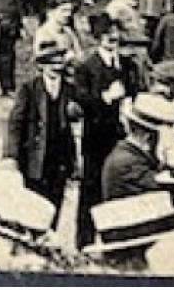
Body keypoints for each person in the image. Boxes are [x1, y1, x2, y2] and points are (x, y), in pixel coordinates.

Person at [73, 13, 137, 245]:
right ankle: (85, 241)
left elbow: (135, 92)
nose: (112, 39)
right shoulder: (86, 67)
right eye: (107, 36)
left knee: (118, 188)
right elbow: (81, 99)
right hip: (96, 137)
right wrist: (105, 98)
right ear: (98, 38)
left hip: (122, 136)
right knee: (91, 188)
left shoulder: (128, 65)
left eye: (116, 36)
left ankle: (115, 240)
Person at [8, 42, 79, 212]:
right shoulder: (29, 89)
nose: (56, 67)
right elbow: (15, 123)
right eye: (51, 63)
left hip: (60, 158)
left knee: (55, 205)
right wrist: (11, 155)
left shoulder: (70, 89)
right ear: (42, 66)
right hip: (35, 158)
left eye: (59, 63)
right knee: (34, 204)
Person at [102, 93, 174, 202]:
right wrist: (168, 153)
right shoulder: (129, 163)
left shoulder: (130, 155)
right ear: (147, 137)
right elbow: (167, 190)